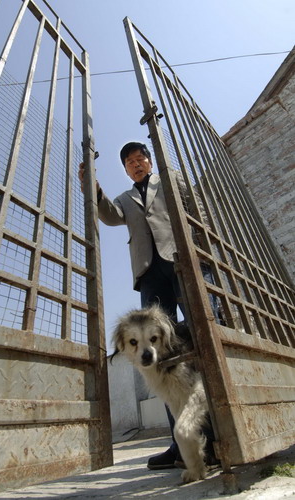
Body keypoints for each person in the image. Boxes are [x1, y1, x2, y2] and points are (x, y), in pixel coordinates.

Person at [78, 141, 217, 470]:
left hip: (183, 259)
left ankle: (220, 435)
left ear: (150, 161)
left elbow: (197, 210)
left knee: (206, 333)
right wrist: (92, 186)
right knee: (162, 358)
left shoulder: (171, 179)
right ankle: (180, 445)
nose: (136, 164)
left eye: (140, 158)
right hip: (149, 272)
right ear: (126, 169)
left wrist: (205, 252)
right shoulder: (125, 199)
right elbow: (110, 217)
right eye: (130, 162)